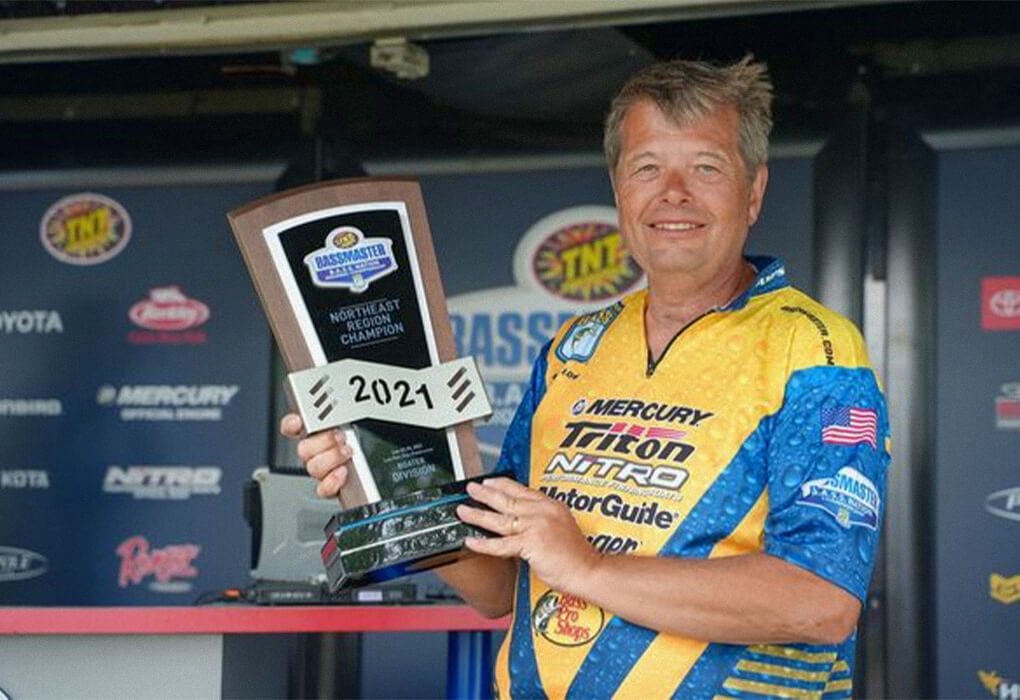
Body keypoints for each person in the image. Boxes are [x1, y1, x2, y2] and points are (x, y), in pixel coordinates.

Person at [281, 55, 890, 700]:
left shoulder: (814, 350)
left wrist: (589, 566)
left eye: (706, 167)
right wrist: (379, 474)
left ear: (755, 192)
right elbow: (498, 586)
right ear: (618, 189)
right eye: (647, 167)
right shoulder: (574, 348)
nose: (673, 192)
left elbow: (820, 601)